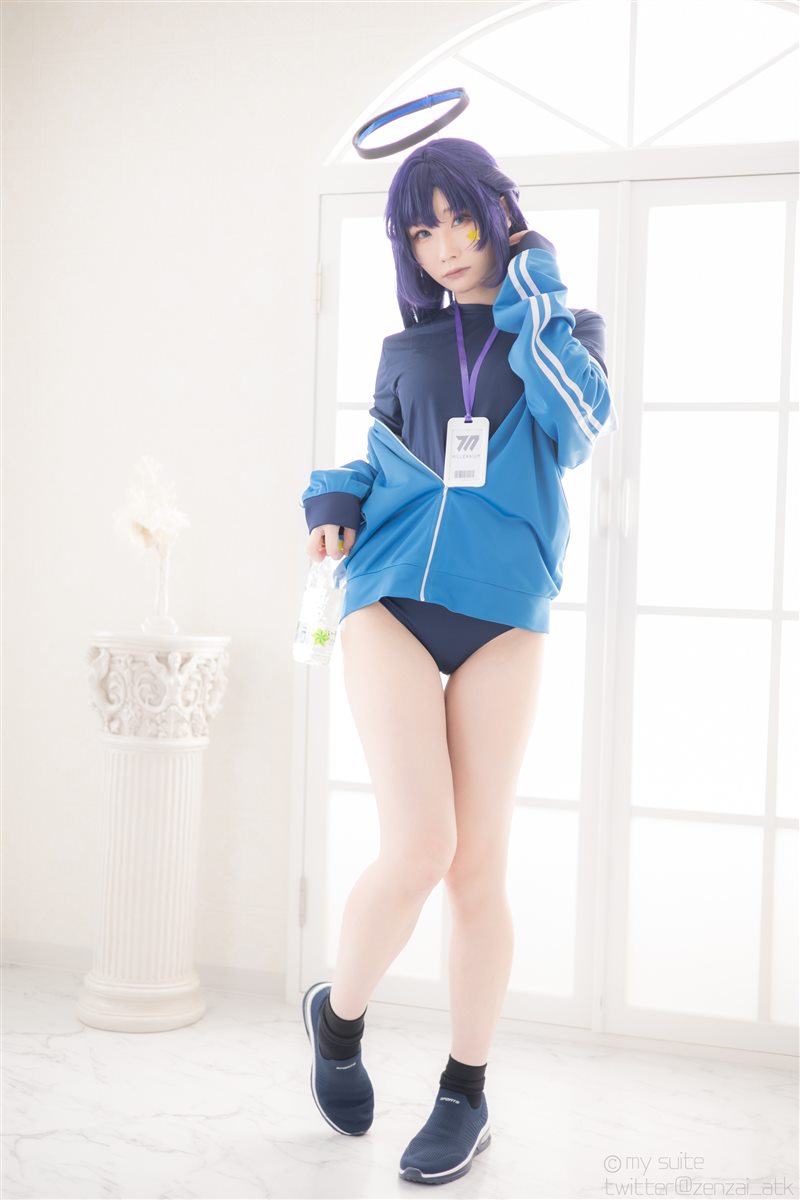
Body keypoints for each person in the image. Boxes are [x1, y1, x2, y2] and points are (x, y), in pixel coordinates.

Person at [299, 137, 618, 1186]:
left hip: (503, 615)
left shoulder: (563, 328)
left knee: (477, 867)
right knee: (421, 845)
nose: (443, 245)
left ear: (499, 215)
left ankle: (463, 1094)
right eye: (420, 229)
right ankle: (337, 1021)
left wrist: (535, 286)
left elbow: (580, 427)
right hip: (389, 596)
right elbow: (388, 458)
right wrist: (331, 493)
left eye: (460, 218)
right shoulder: (406, 348)